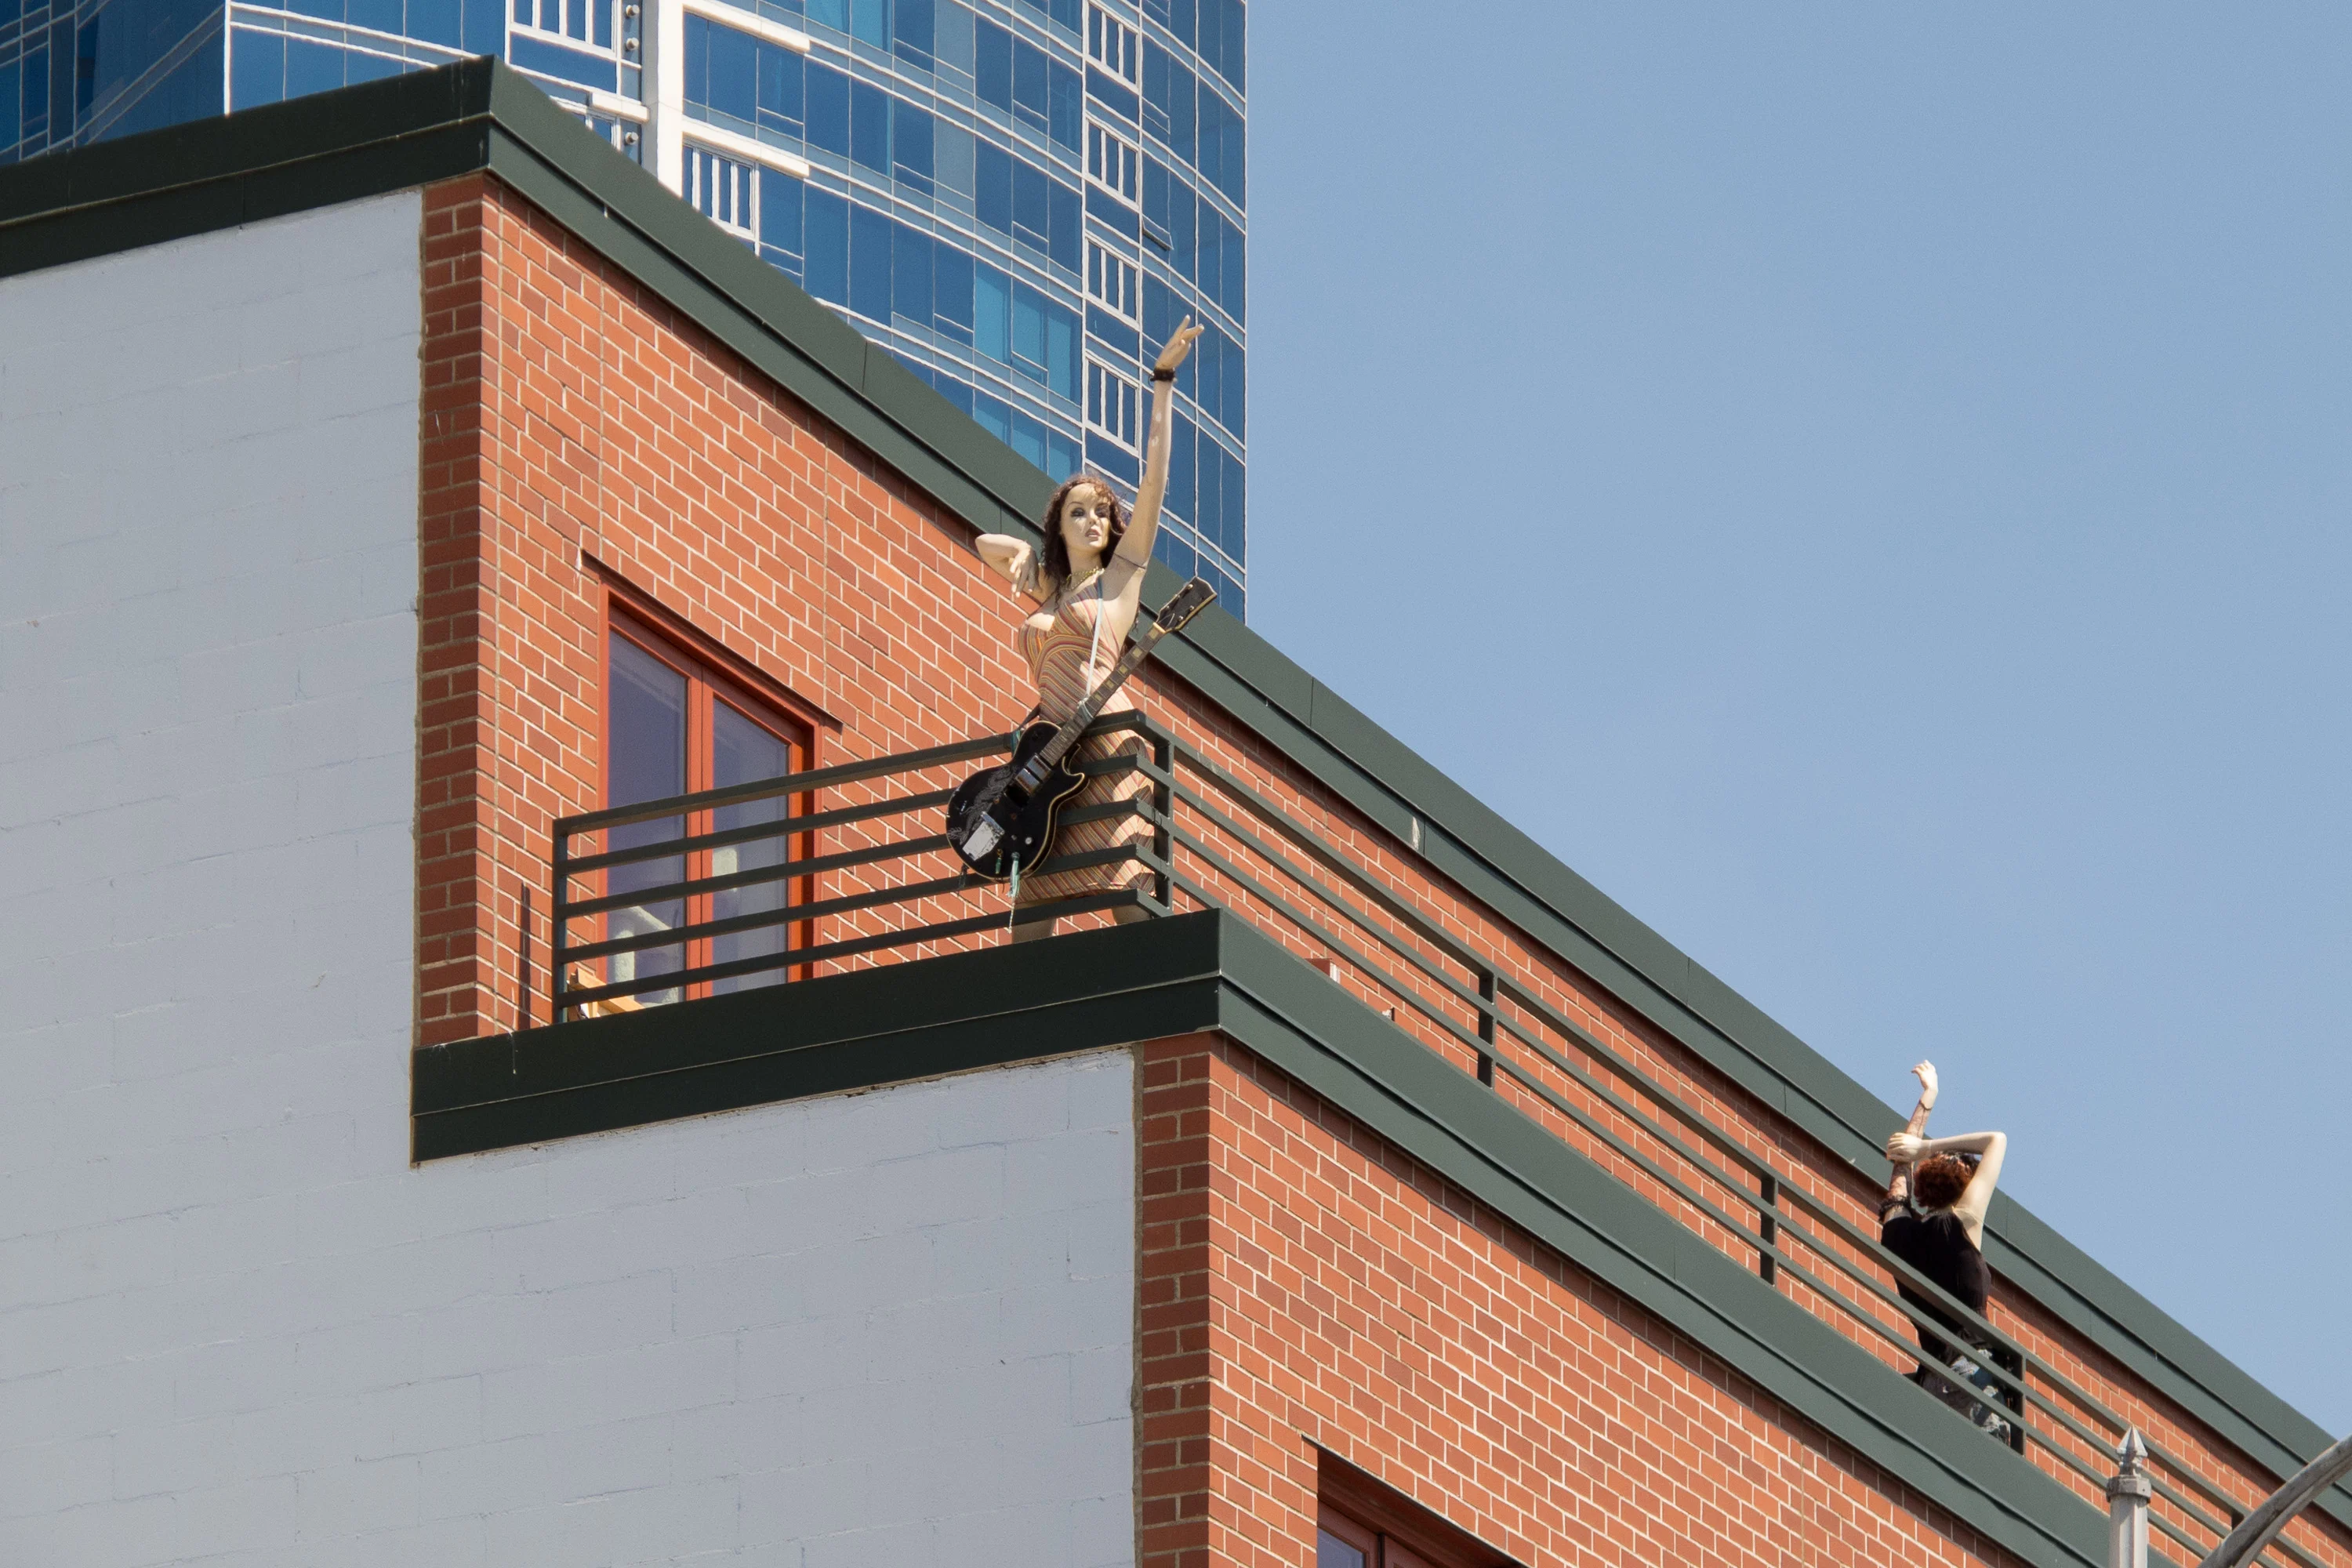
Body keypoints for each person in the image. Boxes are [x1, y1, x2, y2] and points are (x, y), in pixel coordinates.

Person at [972, 318, 1204, 942]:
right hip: (1047, 755)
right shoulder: (1051, 590)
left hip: (1102, 739)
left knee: (1121, 889)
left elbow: (1153, 483)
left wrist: (1162, 382)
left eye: (1102, 511)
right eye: (1079, 511)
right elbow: (982, 543)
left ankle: (1158, 1010)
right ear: (1060, 526)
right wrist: (1020, 552)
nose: (1094, 519)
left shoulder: (1120, 580)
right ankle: (1019, 1033)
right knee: (1033, 904)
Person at [1879, 1060, 2015, 1440]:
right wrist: (1926, 1146)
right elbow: (1997, 1141)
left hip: (1931, 1380)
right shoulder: (1964, 1221)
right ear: (1966, 1185)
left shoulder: (1898, 1233)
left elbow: (1898, 1177)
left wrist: (1925, 1104)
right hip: (1972, 1372)